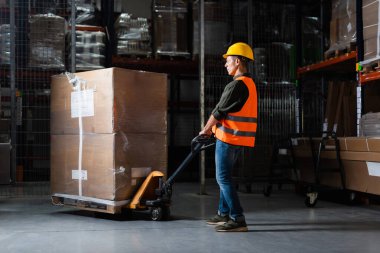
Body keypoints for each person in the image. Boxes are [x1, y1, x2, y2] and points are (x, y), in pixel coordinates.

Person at [199, 42, 257, 232]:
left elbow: (219, 112)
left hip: (228, 140)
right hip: (238, 139)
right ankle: (223, 213)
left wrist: (206, 129)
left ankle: (237, 218)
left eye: (228, 60)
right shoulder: (250, 84)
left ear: (238, 61)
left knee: (222, 178)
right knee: (227, 178)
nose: (225, 64)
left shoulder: (237, 86)